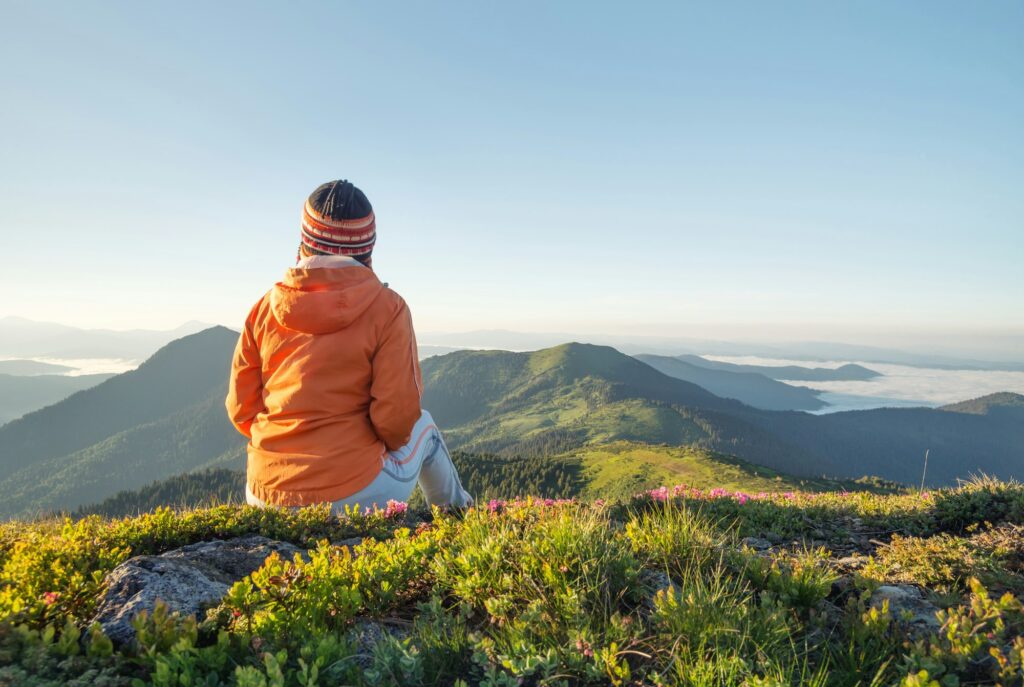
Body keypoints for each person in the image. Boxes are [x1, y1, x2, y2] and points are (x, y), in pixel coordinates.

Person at [225, 179, 472, 513]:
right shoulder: (388, 308)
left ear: (304, 241)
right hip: (353, 493)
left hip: (263, 494)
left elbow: (242, 409)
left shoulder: (264, 308)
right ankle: (458, 520)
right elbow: (396, 421)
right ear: (366, 247)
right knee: (425, 428)